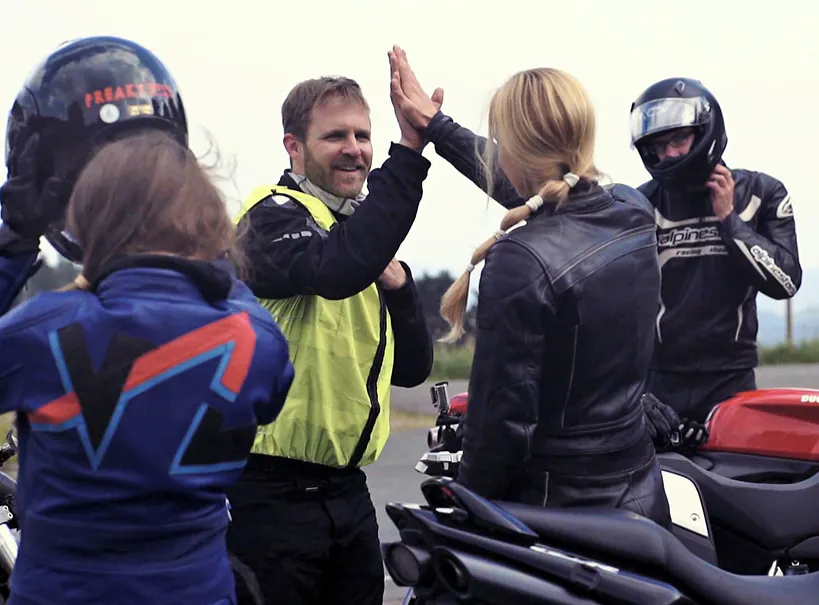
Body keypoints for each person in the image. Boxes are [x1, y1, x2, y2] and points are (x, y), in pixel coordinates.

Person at [0, 127, 295, 604]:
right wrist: (214, 263)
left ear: (90, 223)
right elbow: (255, 348)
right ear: (207, 222)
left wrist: (13, 244)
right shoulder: (257, 340)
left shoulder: (43, 330)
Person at [388, 46, 671, 525]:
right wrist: (437, 126)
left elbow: (502, 427)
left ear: (513, 150)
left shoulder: (520, 260)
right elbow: (548, 194)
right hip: (640, 490)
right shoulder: (631, 212)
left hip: (557, 513)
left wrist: (469, 512)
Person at [224, 69, 435, 604]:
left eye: (363, 136)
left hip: (347, 494)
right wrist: (408, 153)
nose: (355, 150)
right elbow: (334, 272)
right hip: (269, 493)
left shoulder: (361, 234)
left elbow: (411, 368)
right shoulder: (269, 217)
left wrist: (404, 286)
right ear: (294, 146)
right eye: (335, 136)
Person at [628, 77, 803, 426]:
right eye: (660, 145)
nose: (671, 153)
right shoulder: (638, 205)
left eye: (680, 138)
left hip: (731, 380)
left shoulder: (761, 192)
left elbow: (787, 282)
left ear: (706, 129)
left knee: (734, 476)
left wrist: (729, 221)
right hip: (659, 383)